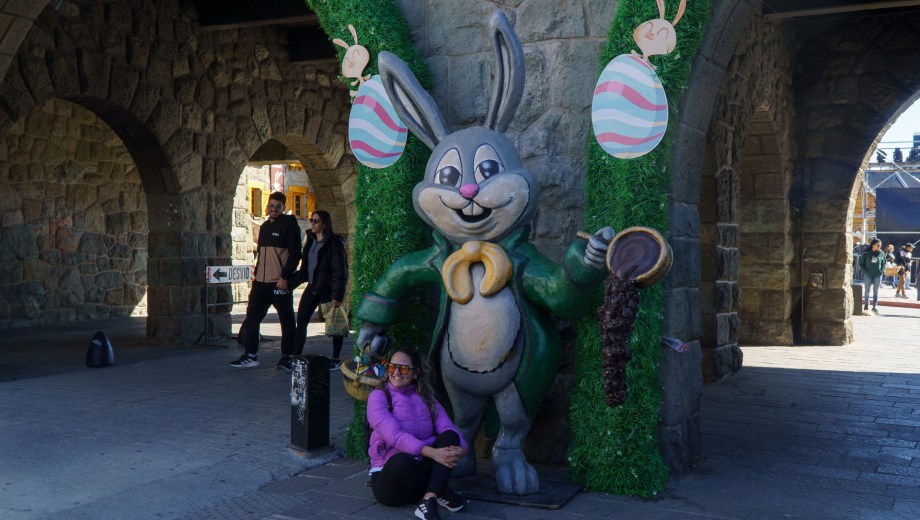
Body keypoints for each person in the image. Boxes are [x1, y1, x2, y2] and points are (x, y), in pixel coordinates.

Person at [367, 348, 470, 520]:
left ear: (416, 373)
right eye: (392, 367)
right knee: (401, 460)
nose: (397, 373)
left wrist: (462, 450)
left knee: (451, 437)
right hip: (391, 483)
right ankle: (441, 491)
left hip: (420, 473)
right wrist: (434, 453)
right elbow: (395, 436)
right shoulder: (379, 397)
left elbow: (447, 427)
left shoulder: (426, 397)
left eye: (404, 368)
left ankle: (429, 499)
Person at [231, 192, 302, 368]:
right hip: (260, 283)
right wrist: (256, 279)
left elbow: (295, 254)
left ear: (283, 207)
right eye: (271, 206)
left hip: (279, 282)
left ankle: (287, 356)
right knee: (252, 318)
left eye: (278, 206)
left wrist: (285, 277)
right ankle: (250, 355)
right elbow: (262, 256)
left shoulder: (289, 225)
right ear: (267, 206)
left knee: (286, 320)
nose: (274, 209)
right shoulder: (263, 227)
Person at [281, 210, 349, 372]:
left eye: (316, 221)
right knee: (302, 321)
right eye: (311, 220)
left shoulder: (334, 243)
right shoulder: (311, 241)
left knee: (335, 324)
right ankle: (296, 356)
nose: (312, 223)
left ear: (324, 224)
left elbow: (340, 271)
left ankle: (335, 358)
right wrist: (289, 283)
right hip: (312, 287)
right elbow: (305, 269)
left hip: (327, 290)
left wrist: (337, 295)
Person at [857, 238, 884, 314]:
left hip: (878, 275)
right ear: (873, 245)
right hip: (868, 274)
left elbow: (883, 263)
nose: (879, 247)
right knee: (867, 290)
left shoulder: (881, 253)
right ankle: (866, 304)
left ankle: (874, 306)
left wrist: (882, 271)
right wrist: (865, 271)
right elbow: (860, 263)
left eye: (880, 245)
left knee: (876, 291)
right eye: (878, 245)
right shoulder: (866, 253)